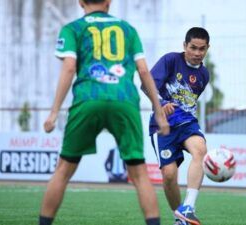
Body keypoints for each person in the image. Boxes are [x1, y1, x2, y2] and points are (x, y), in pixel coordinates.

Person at [38, 1, 169, 225]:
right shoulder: (128, 30)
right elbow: (144, 70)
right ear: (108, 1)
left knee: (62, 171)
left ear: (80, 1)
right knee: (139, 174)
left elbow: (69, 68)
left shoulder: (73, 29)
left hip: (88, 99)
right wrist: (159, 112)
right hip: (124, 100)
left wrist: (53, 112)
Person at [146, 27, 210, 225]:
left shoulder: (204, 75)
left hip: (187, 123)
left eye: (202, 49)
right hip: (163, 124)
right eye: (193, 48)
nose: (198, 53)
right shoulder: (171, 60)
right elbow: (148, 85)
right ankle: (179, 216)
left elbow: (190, 102)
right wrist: (162, 104)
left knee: (201, 150)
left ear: (207, 48)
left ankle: (189, 207)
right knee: (169, 175)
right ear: (185, 46)